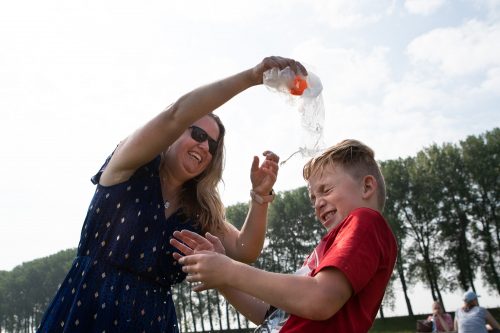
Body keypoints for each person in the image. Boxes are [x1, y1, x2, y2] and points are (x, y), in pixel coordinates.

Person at [36, 56, 308, 333]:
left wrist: (259, 196)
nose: (204, 147)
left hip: (153, 321)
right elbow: (175, 113)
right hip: (86, 314)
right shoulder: (128, 167)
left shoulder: (198, 208)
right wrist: (252, 76)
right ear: (173, 135)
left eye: (213, 146)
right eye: (198, 134)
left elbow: (244, 250)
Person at [171, 139, 398, 332]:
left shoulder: (366, 221)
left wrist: (229, 269)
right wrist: (222, 279)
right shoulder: (327, 249)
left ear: (367, 187)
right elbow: (268, 316)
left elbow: (320, 300)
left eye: (326, 190)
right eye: (312, 198)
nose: (317, 203)